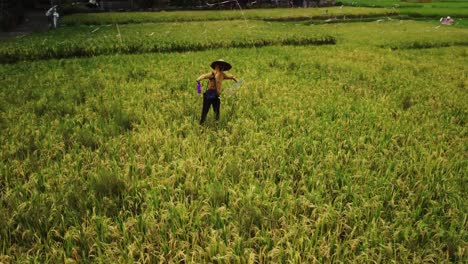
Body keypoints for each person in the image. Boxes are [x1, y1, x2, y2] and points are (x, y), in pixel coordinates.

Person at [196, 59, 239, 125]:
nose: (221, 67)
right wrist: (198, 81)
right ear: (216, 66)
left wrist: (237, 82)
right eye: (220, 65)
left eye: (223, 66)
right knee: (205, 111)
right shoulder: (212, 74)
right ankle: (201, 124)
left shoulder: (223, 75)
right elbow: (203, 76)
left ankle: (217, 125)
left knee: (217, 112)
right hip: (209, 94)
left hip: (216, 95)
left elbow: (231, 77)